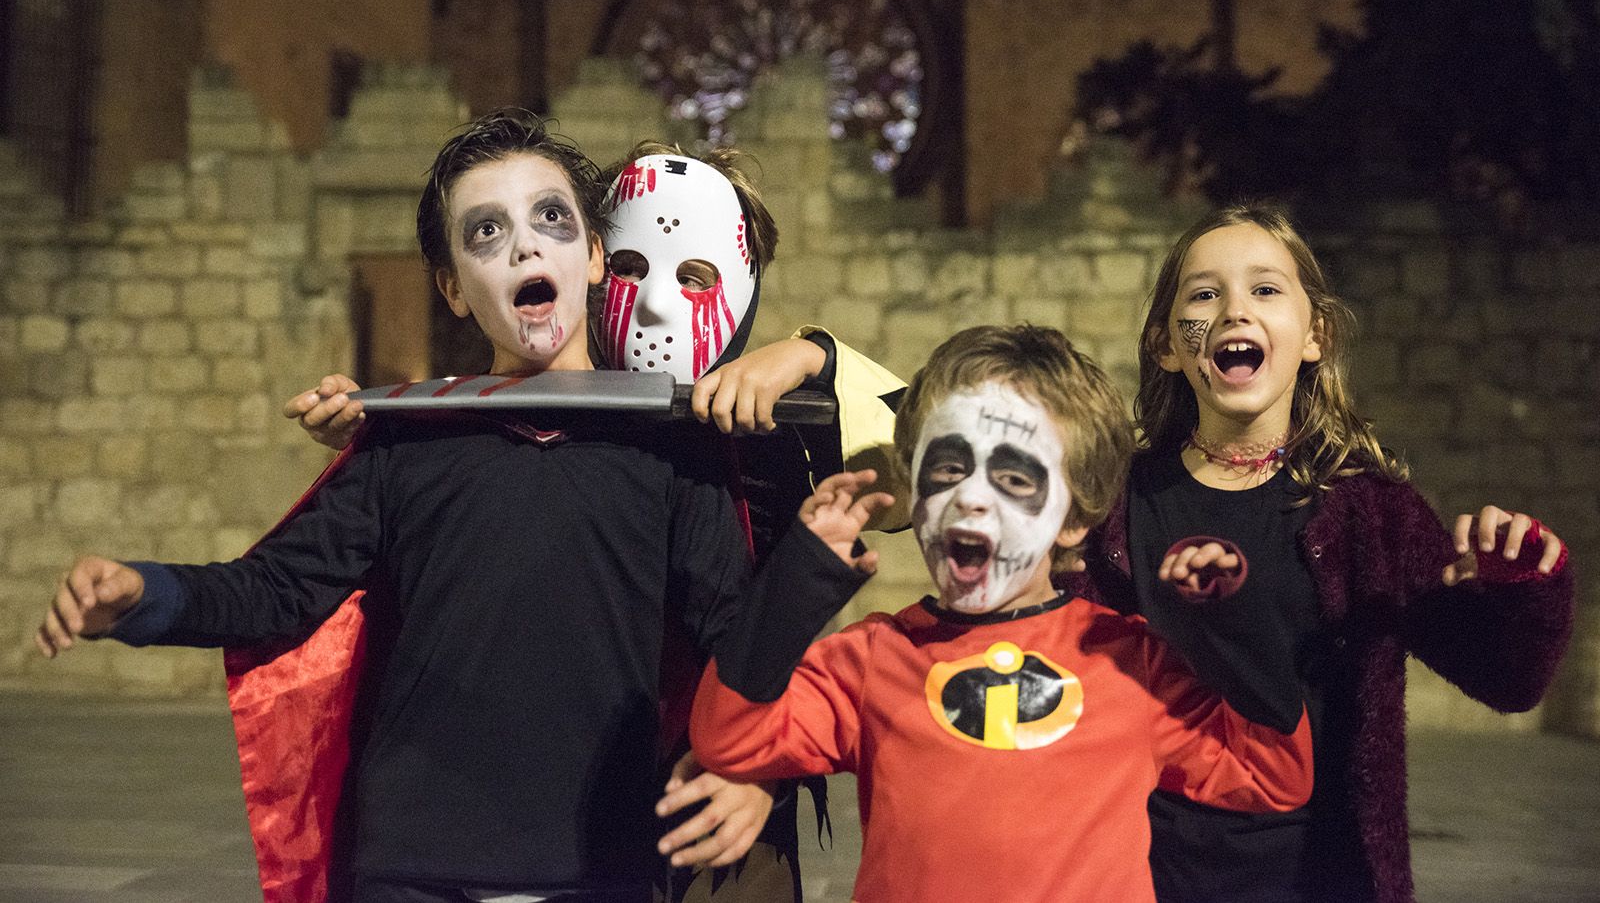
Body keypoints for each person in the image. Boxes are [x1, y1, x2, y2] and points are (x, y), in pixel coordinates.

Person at [36, 110, 756, 903]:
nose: (523, 246)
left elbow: (740, 637)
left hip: (600, 865)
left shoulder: (671, 451)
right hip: (411, 866)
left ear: (592, 255)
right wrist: (144, 596)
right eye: (485, 232)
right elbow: (275, 591)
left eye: (551, 218)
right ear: (451, 286)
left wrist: (760, 774)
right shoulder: (404, 445)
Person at [283, 142, 909, 903]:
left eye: (695, 278)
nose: (652, 307)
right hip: (597, 796)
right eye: (633, 270)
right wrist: (379, 434)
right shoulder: (589, 414)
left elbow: (921, 466)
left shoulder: (774, 417)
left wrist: (815, 357)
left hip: (733, 778)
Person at [687, 324, 1317, 902]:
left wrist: (1234, 627)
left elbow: (1272, 775)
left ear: (1074, 518)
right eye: (949, 467)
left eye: (1014, 478)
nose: (971, 498)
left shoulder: (1131, 664)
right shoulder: (873, 659)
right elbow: (731, 738)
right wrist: (795, 585)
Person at [1059, 203, 1575, 903]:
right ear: (1166, 345)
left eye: (1266, 289)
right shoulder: (1114, 501)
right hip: (1136, 873)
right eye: (1205, 294)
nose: (1235, 308)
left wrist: (1524, 587)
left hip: (1315, 877)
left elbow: (1507, 679)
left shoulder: (1370, 510)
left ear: (1315, 335)